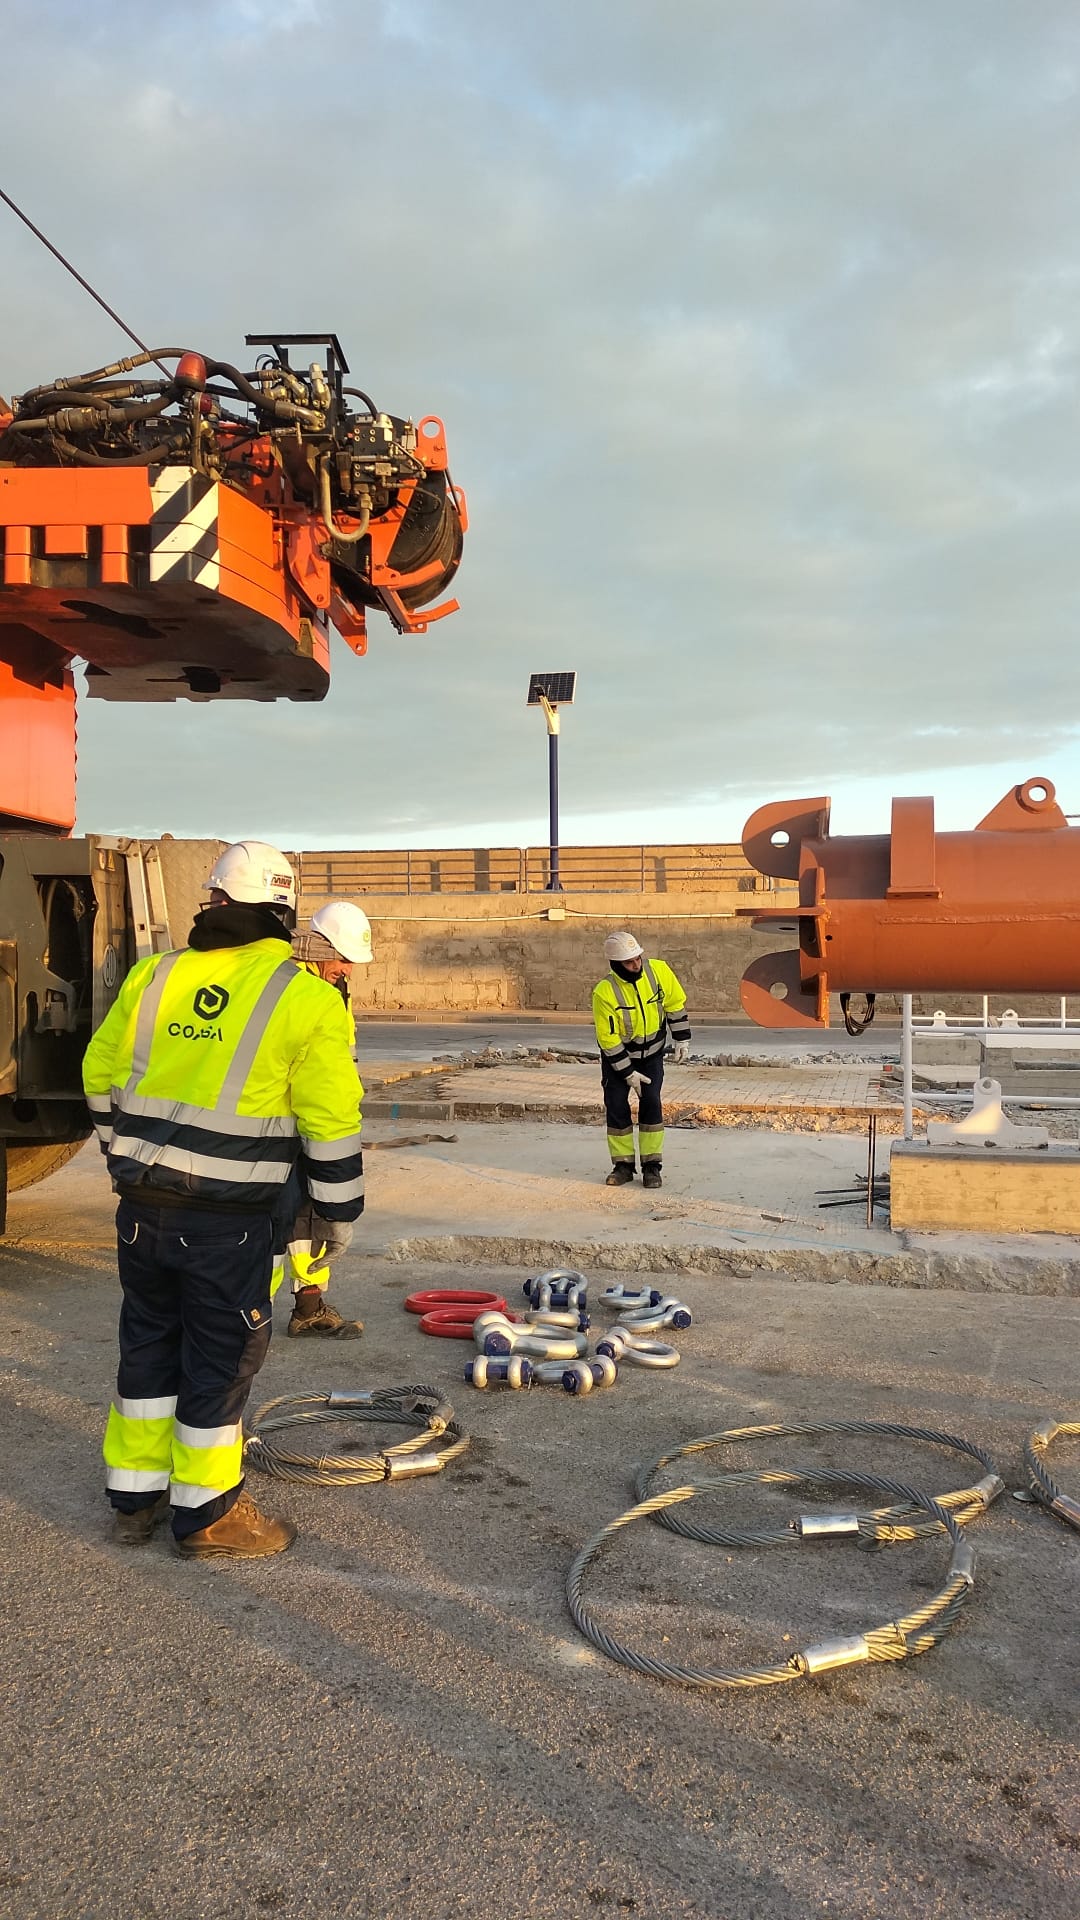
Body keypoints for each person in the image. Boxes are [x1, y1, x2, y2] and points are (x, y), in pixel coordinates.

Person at [82, 840, 364, 1560]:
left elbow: (98, 1071)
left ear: (212, 902)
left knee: (148, 1344)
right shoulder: (303, 998)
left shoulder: (156, 976)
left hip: (142, 1209)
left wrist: (124, 1157)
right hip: (229, 1222)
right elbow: (329, 1121)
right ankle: (206, 1514)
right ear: (284, 913)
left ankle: (134, 1499)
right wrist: (336, 1214)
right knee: (220, 1358)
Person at [277, 900, 374, 1337]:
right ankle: (245, 1318)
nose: (349, 969)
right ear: (316, 948)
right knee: (278, 1222)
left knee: (308, 1214)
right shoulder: (297, 991)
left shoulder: (328, 989)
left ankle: (308, 1304)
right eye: (344, 959)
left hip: (309, 1122)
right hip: (286, 1125)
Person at [591, 931, 691, 1190]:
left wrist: (682, 1038)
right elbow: (608, 1040)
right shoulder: (604, 992)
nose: (636, 965)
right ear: (615, 964)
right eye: (629, 962)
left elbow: (674, 1004)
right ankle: (623, 1166)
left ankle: (652, 1167)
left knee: (651, 1104)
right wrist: (627, 1073)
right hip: (619, 1060)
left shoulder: (657, 971)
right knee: (616, 1106)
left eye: (638, 958)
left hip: (652, 1056)